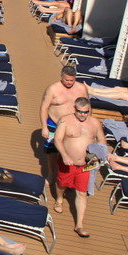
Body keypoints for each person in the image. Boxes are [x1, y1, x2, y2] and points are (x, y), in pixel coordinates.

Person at [53, 97, 106, 238]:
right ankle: (59, 199)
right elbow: (57, 139)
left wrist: (99, 156)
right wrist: (64, 155)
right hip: (68, 162)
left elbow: (102, 142)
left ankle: (79, 225)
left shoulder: (95, 123)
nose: (83, 115)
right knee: (62, 184)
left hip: (86, 164)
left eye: (86, 112)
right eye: (80, 112)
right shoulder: (65, 120)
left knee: (82, 193)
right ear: (74, 109)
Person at [40, 65, 89, 208]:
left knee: (71, 151)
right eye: (67, 80)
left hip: (74, 124)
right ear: (61, 76)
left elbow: (87, 106)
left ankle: (67, 180)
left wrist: (87, 125)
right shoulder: (53, 89)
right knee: (51, 150)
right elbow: (44, 107)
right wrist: (44, 126)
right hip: (54, 123)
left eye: (72, 80)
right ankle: (51, 173)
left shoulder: (81, 89)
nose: (69, 82)